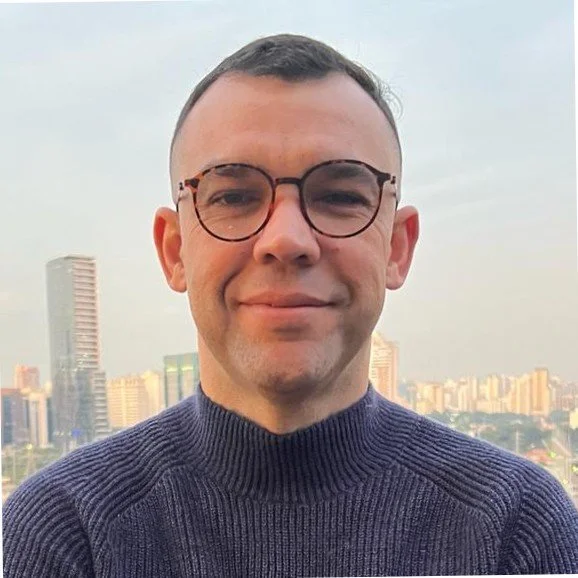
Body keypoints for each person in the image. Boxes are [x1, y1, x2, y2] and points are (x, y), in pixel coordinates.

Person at [3, 34, 578, 578]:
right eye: (233, 196)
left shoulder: (515, 527)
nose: (286, 239)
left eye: (339, 196)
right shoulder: (64, 532)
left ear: (397, 248)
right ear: (174, 251)